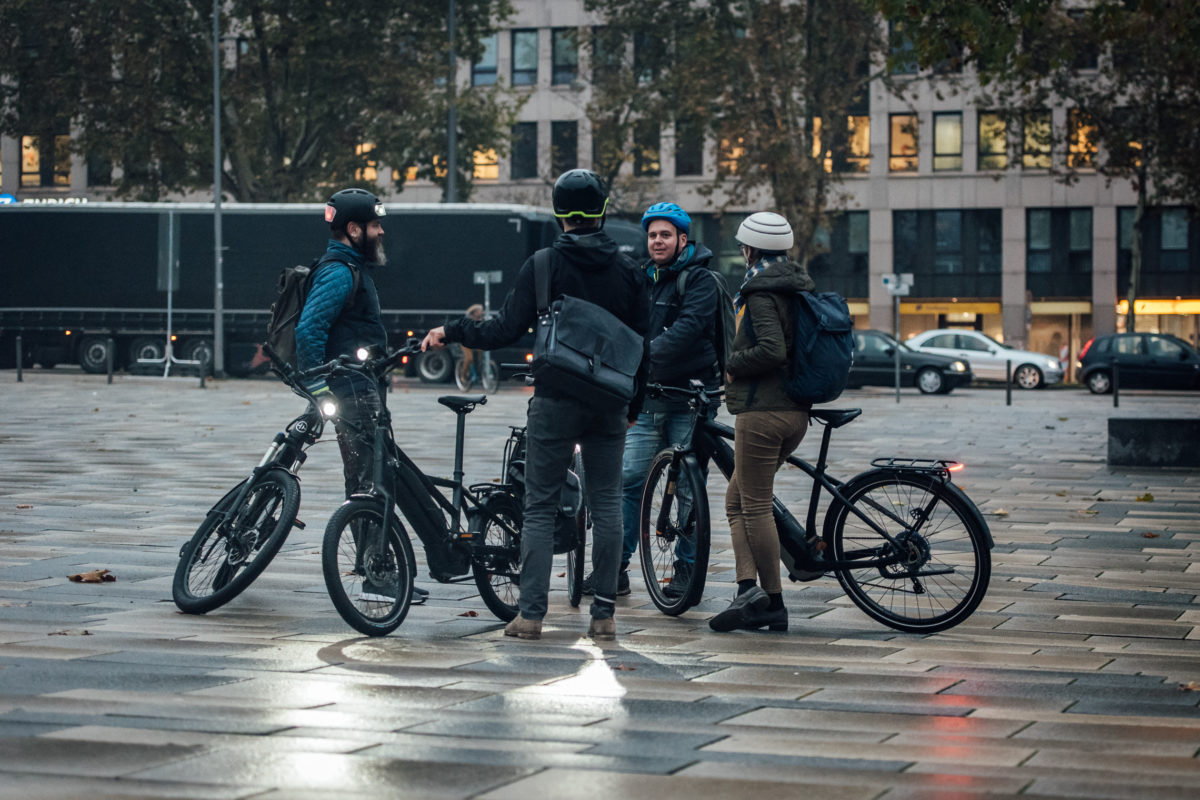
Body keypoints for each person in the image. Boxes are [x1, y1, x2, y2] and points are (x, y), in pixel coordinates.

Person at [422, 169, 649, 641]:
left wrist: (453, 330)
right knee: (607, 504)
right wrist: (634, 402)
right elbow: (641, 345)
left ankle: (530, 616)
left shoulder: (543, 265)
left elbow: (503, 330)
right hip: (609, 402)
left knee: (540, 507)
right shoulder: (629, 269)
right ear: (603, 211)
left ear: (559, 214)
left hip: (556, 400)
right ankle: (604, 615)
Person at [580, 201, 722, 599]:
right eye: (652, 235)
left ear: (682, 238)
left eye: (665, 235)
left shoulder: (700, 281)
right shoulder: (642, 277)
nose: (657, 241)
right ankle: (614, 571)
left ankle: (685, 573)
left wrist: (639, 357)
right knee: (628, 482)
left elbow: (687, 331)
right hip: (648, 399)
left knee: (689, 491)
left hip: (690, 403)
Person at [295, 188, 428, 604]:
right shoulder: (339, 272)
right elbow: (308, 331)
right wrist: (318, 388)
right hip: (351, 391)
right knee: (371, 482)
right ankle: (378, 572)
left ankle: (378, 567)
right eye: (374, 225)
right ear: (354, 230)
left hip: (356, 386)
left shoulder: (349, 267)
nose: (381, 230)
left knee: (371, 478)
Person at [710, 211, 814, 633]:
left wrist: (733, 365)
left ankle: (771, 600)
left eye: (743, 246)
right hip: (794, 412)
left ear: (751, 249)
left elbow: (771, 350)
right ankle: (746, 591)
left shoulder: (759, 292)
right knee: (737, 501)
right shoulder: (794, 286)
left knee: (753, 506)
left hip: (762, 413)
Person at [456, 304, 485, 388]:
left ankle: (478, 371)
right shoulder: (467, 320)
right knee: (469, 358)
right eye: (480, 311)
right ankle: (463, 375)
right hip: (465, 342)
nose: (481, 312)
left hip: (475, 342)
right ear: (475, 312)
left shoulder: (481, 320)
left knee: (481, 354)